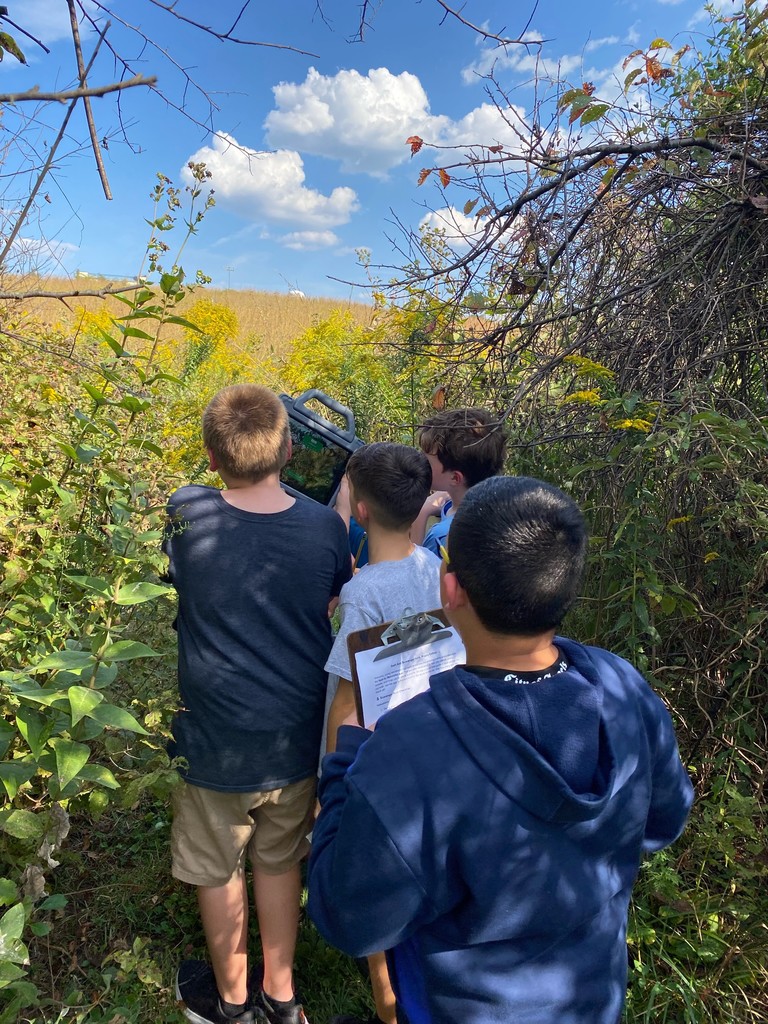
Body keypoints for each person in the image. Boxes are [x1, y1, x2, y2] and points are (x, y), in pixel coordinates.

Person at [308, 475, 694, 1024]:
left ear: (451, 589)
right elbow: (665, 818)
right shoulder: (621, 686)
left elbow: (351, 918)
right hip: (591, 997)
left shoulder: (411, 747)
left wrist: (345, 764)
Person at [163, 384, 352, 1024]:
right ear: (292, 447)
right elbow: (334, 594)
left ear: (211, 457)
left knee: (219, 866)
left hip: (215, 735)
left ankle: (233, 1003)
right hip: (293, 734)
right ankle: (281, 995)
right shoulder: (325, 526)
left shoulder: (186, 511)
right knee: (277, 861)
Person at [323, 442, 442, 1024]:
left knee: (369, 869)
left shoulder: (363, 592)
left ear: (361, 510)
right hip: (422, 739)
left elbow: (346, 697)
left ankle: (385, 1002)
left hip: (369, 754)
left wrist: (331, 784)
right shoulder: (434, 568)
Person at [411, 407, 506, 556]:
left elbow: (417, 572)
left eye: (426, 459)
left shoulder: (441, 537)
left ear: (455, 478)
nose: (419, 461)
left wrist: (422, 511)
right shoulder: (500, 507)